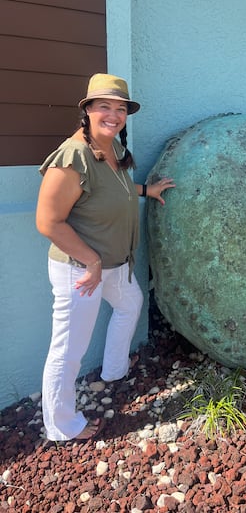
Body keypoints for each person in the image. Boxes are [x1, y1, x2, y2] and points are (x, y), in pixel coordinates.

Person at [36, 73, 175, 441]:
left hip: (113, 263)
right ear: (87, 110)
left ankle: (114, 370)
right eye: (104, 107)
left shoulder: (112, 148)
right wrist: (92, 262)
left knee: (130, 303)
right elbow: (48, 221)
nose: (113, 115)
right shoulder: (73, 155)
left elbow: (117, 189)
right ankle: (63, 426)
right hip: (81, 269)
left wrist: (148, 189)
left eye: (120, 109)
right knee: (68, 350)